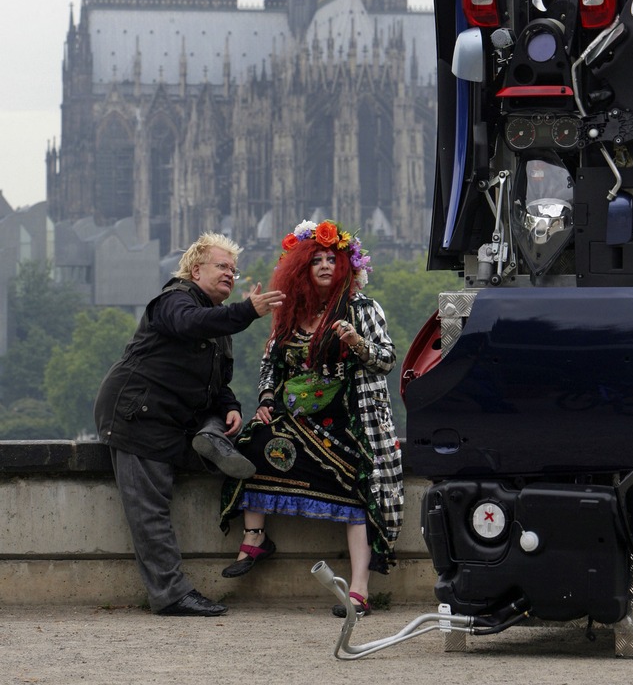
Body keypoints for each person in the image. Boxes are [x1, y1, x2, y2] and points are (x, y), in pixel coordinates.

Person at [219, 219, 403, 618]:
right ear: (301, 268)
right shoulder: (291, 312)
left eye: (331, 260)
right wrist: (267, 397)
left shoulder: (362, 309)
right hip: (296, 417)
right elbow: (271, 364)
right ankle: (255, 538)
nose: (323, 266)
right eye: (315, 260)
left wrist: (356, 342)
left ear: (345, 268)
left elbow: (388, 360)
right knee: (253, 443)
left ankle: (359, 591)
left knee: (358, 493)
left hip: (348, 422)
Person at [94, 232, 284, 617]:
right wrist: (247, 310)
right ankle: (170, 595)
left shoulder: (216, 325)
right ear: (196, 270)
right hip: (136, 417)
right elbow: (188, 323)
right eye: (222, 266)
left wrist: (230, 407)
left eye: (234, 269)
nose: (231, 274)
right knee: (150, 509)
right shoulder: (174, 300)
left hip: (173, 419)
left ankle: (213, 437)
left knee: (224, 420)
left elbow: (217, 383)